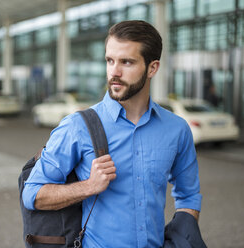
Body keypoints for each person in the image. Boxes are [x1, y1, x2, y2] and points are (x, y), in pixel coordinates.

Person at [23, 20, 203, 247]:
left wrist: (180, 241)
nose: (114, 72)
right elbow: (32, 194)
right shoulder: (77, 126)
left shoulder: (177, 129)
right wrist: (88, 186)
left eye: (127, 62)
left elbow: (188, 196)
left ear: (152, 68)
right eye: (110, 61)